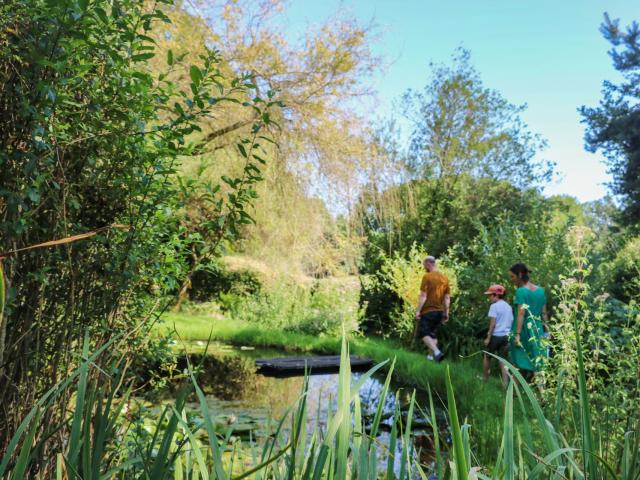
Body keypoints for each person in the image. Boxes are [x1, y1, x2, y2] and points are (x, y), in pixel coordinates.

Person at [508, 263, 548, 381]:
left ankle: (513, 392)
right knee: (537, 361)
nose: (511, 280)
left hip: (524, 330)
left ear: (520, 275)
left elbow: (521, 313)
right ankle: (542, 395)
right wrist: (546, 330)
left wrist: (517, 335)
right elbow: (544, 313)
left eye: (512, 277)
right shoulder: (541, 291)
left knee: (519, 360)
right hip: (537, 329)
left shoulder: (521, 291)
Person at [414, 256, 450, 362]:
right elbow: (447, 298)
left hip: (429, 311)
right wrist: (446, 313)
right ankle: (430, 357)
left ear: (428, 264)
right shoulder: (445, 278)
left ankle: (437, 352)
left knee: (424, 333)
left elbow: (423, 296)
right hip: (439, 312)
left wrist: (418, 311)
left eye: (424, 265)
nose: (424, 267)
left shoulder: (427, 277)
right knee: (432, 335)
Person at [482, 284, 513, 386]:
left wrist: (488, 337)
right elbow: (511, 321)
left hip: (496, 336)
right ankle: (505, 384)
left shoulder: (494, 306)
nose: (489, 297)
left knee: (487, 357)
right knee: (503, 360)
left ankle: (485, 379)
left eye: (490, 295)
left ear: (496, 295)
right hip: (506, 336)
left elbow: (493, 323)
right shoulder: (508, 307)